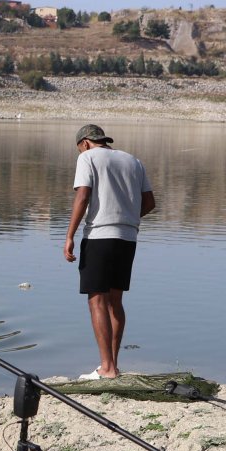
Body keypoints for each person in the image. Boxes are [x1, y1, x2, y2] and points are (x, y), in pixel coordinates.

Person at [63, 124, 155, 380]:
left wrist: (69, 235)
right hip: (127, 238)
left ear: (84, 143)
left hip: (99, 237)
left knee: (97, 301)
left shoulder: (87, 158)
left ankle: (106, 368)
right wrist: (125, 217)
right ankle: (113, 365)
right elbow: (149, 202)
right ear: (102, 140)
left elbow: (83, 196)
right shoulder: (133, 161)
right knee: (116, 302)